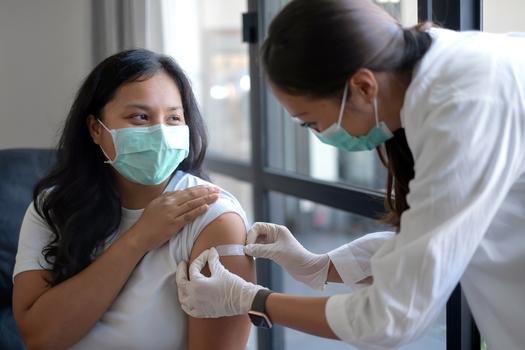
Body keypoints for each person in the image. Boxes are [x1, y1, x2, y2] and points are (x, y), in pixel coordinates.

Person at [175, 0, 525, 349]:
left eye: (312, 122)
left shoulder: (465, 108)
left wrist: (253, 301)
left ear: (363, 87)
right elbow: (434, 241)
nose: (320, 134)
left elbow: (389, 317)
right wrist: (318, 265)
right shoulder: (441, 74)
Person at [12, 49, 254, 350]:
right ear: (95, 129)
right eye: (140, 117)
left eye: (174, 118)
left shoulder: (212, 218)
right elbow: (39, 337)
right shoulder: (53, 207)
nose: (161, 133)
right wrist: (138, 238)